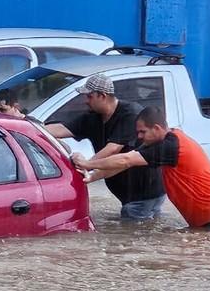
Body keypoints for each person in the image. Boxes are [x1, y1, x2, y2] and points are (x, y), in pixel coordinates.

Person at [72, 106, 210, 231]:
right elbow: (124, 164)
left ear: (156, 128)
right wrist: (90, 177)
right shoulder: (159, 142)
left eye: (142, 132)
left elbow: (125, 159)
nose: (139, 137)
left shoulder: (170, 146)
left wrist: (88, 163)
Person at [45, 74, 165, 220]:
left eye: (89, 96)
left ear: (102, 95)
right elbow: (62, 129)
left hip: (144, 194)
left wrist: (85, 166)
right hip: (128, 195)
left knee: (128, 237)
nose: (86, 101)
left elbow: (113, 149)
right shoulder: (92, 117)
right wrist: (26, 125)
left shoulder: (131, 114)